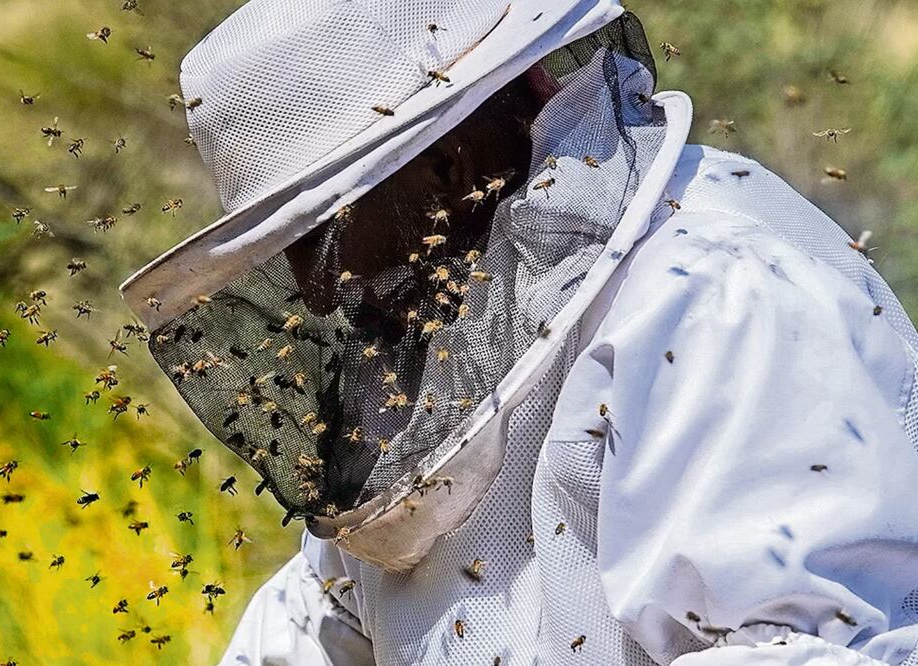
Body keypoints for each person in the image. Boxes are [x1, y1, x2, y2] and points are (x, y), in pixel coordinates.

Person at [120, 1, 918, 664]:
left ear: (450, 170)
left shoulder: (716, 294)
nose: (316, 290)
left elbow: (805, 646)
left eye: (318, 239)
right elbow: (318, 620)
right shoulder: (431, 351)